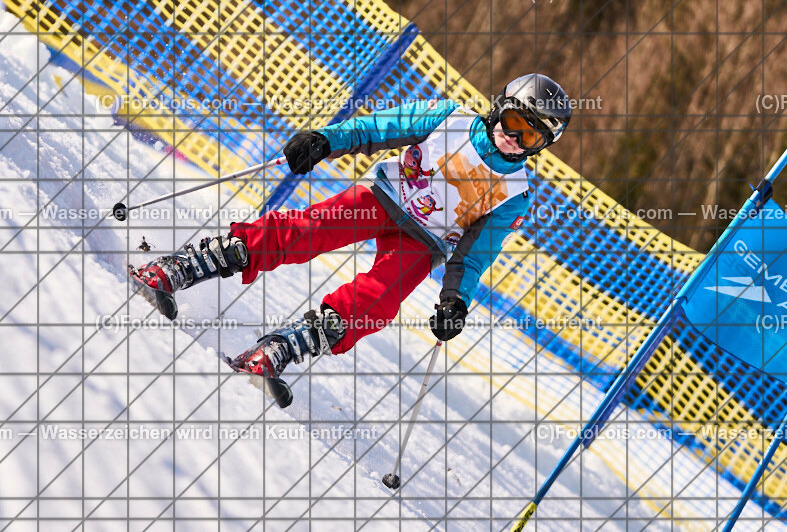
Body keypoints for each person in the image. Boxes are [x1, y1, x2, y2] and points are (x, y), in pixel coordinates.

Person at [130, 74, 571, 382]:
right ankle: (188, 265)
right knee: (307, 229)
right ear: (499, 109)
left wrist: (455, 299)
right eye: (514, 122)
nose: (514, 138)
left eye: (530, 137)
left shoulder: (515, 192)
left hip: (423, 242)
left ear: (540, 147)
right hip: (383, 198)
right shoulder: (448, 118)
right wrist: (325, 140)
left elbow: (476, 254)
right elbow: (378, 128)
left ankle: (286, 346)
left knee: (378, 301)